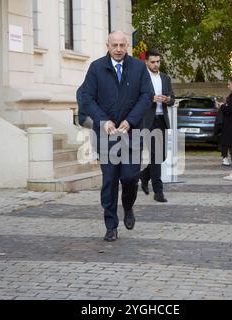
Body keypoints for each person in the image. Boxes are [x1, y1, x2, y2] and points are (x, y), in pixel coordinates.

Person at [82, 31, 153, 242]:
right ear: (108, 45)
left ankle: (128, 206)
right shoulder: (96, 68)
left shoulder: (139, 68)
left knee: (130, 178)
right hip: (107, 136)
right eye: (115, 45)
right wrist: (103, 121)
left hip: (131, 133)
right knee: (110, 180)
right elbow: (86, 97)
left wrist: (130, 120)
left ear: (127, 46)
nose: (119, 49)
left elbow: (146, 95)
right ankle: (110, 225)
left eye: (123, 45)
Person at [140, 49, 175, 202]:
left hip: (162, 119)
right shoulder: (141, 78)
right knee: (155, 154)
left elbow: (173, 98)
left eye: (158, 62)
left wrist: (167, 99)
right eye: (152, 62)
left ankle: (144, 175)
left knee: (161, 156)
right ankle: (158, 191)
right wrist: (151, 99)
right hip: (148, 120)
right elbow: (136, 98)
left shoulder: (165, 78)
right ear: (146, 62)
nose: (155, 64)